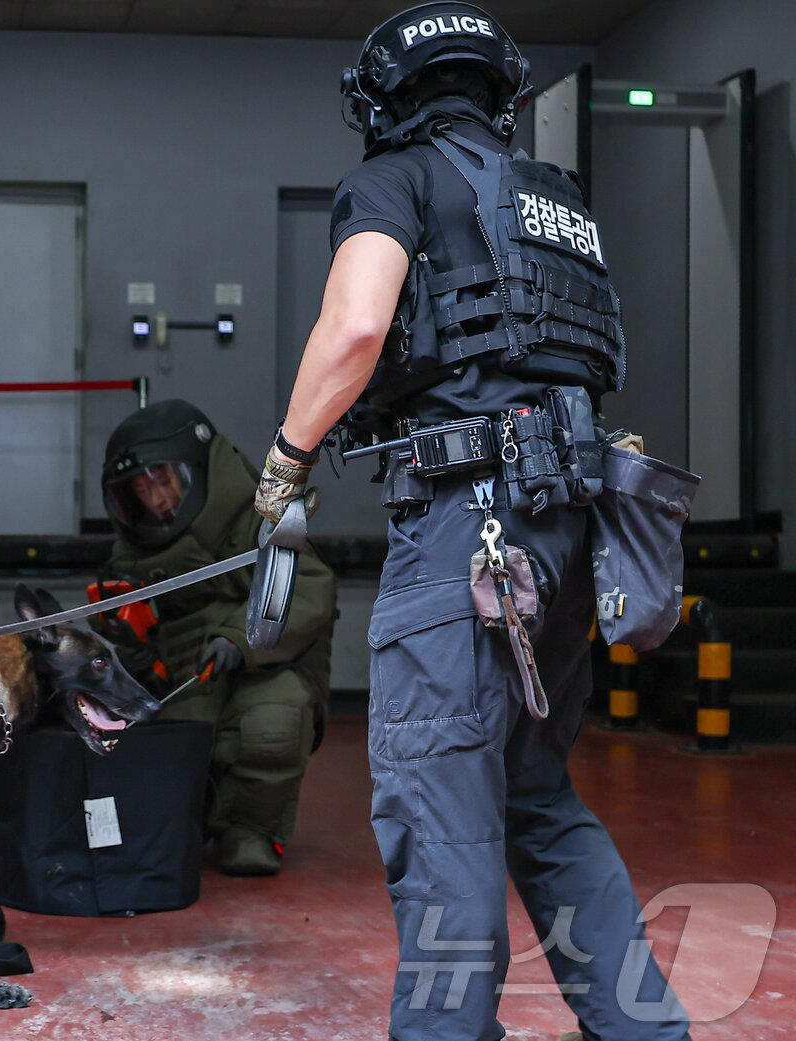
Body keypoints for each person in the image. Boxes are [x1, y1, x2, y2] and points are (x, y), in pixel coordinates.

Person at [253, 5, 691, 1040]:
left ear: (385, 99)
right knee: (537, 800)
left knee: (438, 805)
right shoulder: (556, 202)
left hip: (464, 534)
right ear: (494, 91)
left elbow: (357, 325)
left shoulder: (392, 179)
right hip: (567, 534)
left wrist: (287, 458)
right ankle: (644, 1030)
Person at [99, 398, 337, 876]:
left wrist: (238, 639)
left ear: (202, 471)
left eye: (163, 481)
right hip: (184, 679)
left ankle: (251, 831)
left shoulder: (262, 516)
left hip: (261, 667)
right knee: (164, 748)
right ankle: (184, 825)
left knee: (273, 720)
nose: (155, 500)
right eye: (139, 490)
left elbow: (311, 589)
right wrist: (125, 639)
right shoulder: (131, 552)